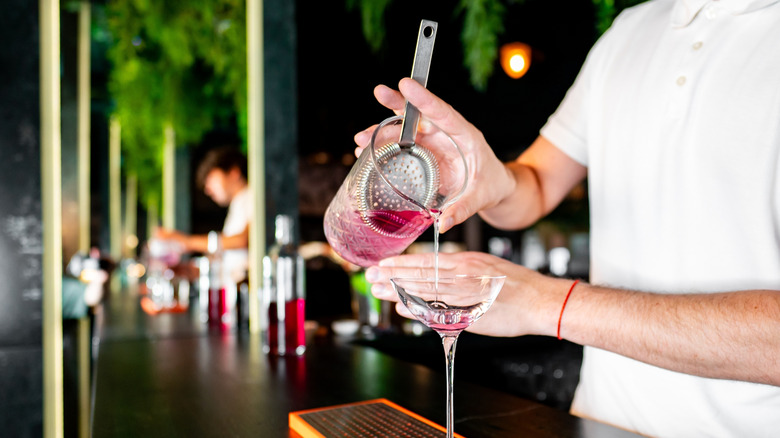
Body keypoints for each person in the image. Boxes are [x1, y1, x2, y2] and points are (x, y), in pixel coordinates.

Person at [358, 0, 780, 436]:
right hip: (599, 421)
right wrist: (483, 174)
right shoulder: (631, 30)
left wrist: (546, 303)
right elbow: (536, 185)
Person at [156, 146, 251, 284]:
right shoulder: (237, 205)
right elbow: (230, 262)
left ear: (233, 172)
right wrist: (190, 270)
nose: (207, 189)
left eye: (211, 178)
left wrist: (187, 242)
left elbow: (242, 241)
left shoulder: (252, 197)